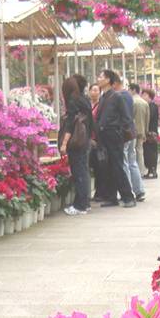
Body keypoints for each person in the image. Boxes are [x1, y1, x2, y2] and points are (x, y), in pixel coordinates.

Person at [94, 69, 135, 208]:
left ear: (108, 80)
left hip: (114, 136)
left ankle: (128, 197)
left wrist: (120, 133)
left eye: (101, 76)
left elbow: (126, 117)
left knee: (117, 166)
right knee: (108, 167)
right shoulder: (103, 97)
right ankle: (111, 197)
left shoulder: (117, 96)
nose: (98, 79)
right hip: (104, 136)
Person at [59, 74, 93, 216]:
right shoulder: (84, 100)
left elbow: (70, 124)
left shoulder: (73, 101)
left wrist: (64, 143)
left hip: (76, 142)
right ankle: (85, 203)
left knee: (79, 172)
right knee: (83, 172)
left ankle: (80, 206)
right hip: (85, 141)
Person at [125, 81, 148, 202]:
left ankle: (134, 183)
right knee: (138, 153)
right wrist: (146, 131)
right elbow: (147, 118)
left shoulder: (131, 101)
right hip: (140, 130)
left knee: (131, 156)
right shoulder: (144, 102)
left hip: (131, 131)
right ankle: (141, 172)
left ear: (133, 90)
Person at [142, 87, 160, 178]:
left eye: (145, 95)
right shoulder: (146, 105)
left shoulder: (152, 106)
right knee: (147, 152)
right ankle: (150, 170)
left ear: (150, 97)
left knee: (151, 152)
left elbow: (149, 118)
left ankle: (153, 170)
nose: (143, 96)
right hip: (147, 132)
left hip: (151, 132)